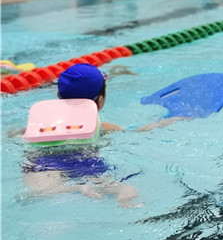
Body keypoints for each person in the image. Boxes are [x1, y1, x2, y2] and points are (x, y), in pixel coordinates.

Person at [22, 63, 141, 207]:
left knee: (41, 191)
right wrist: (158, 124)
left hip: (43, 160)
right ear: (100, 100)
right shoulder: (105, 127)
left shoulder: (39, 128)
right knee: (126, 189)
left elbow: (19, 135)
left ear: (58, 95)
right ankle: (124, 203)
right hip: (86, 162)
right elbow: (133, 134)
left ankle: (76, 188)